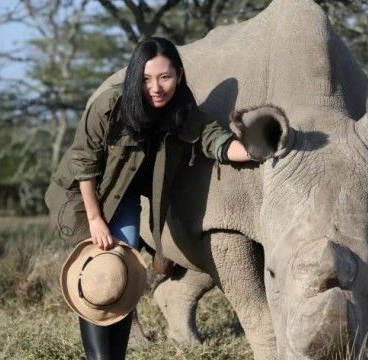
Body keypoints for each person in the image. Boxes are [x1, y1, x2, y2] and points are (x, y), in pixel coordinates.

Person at [45, 37, 253, 360]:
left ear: (179, 75)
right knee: (97, 270)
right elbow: (83, 164)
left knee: (121, 271)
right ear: (134, 77)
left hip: (126, 196)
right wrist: (96, 219)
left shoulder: (182, 110)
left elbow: (215, 140)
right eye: (145, 78)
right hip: (87, 193)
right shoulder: (109, 106)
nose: (155, 87)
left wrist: (254, 150)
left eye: (164, 77)